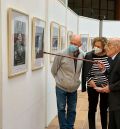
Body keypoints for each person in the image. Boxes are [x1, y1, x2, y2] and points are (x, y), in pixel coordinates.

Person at [51, 34, 84, 129]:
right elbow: (54, 70)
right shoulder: (61, 54)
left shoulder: (82, 55)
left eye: (75, 44)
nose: (73, 45)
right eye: (71, 43)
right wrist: (60, 80)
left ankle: (70, 126)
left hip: (73, 88)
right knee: (61, 109)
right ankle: (63, 127)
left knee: (72, 109)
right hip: (61, 87)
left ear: (80, 45)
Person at [82, 37, 111, 129]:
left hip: (105, 87)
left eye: (98, 46)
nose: (96, 47)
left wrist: (108, 85)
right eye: (95, 45)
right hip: (92, 86)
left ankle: (104, 127)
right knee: (92, 108)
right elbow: (86, 71)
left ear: (104, 47)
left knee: (103, 109)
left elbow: (112, 72)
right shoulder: (89, 55)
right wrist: (91, 82)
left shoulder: (109, 56)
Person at [97, 38, 120, 129]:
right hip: (115, 101)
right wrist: (103, 70)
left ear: (117, 47)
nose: (106, 47)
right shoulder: (115, 58)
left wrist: (110, 88)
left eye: (109, 45)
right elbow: (115, 75)